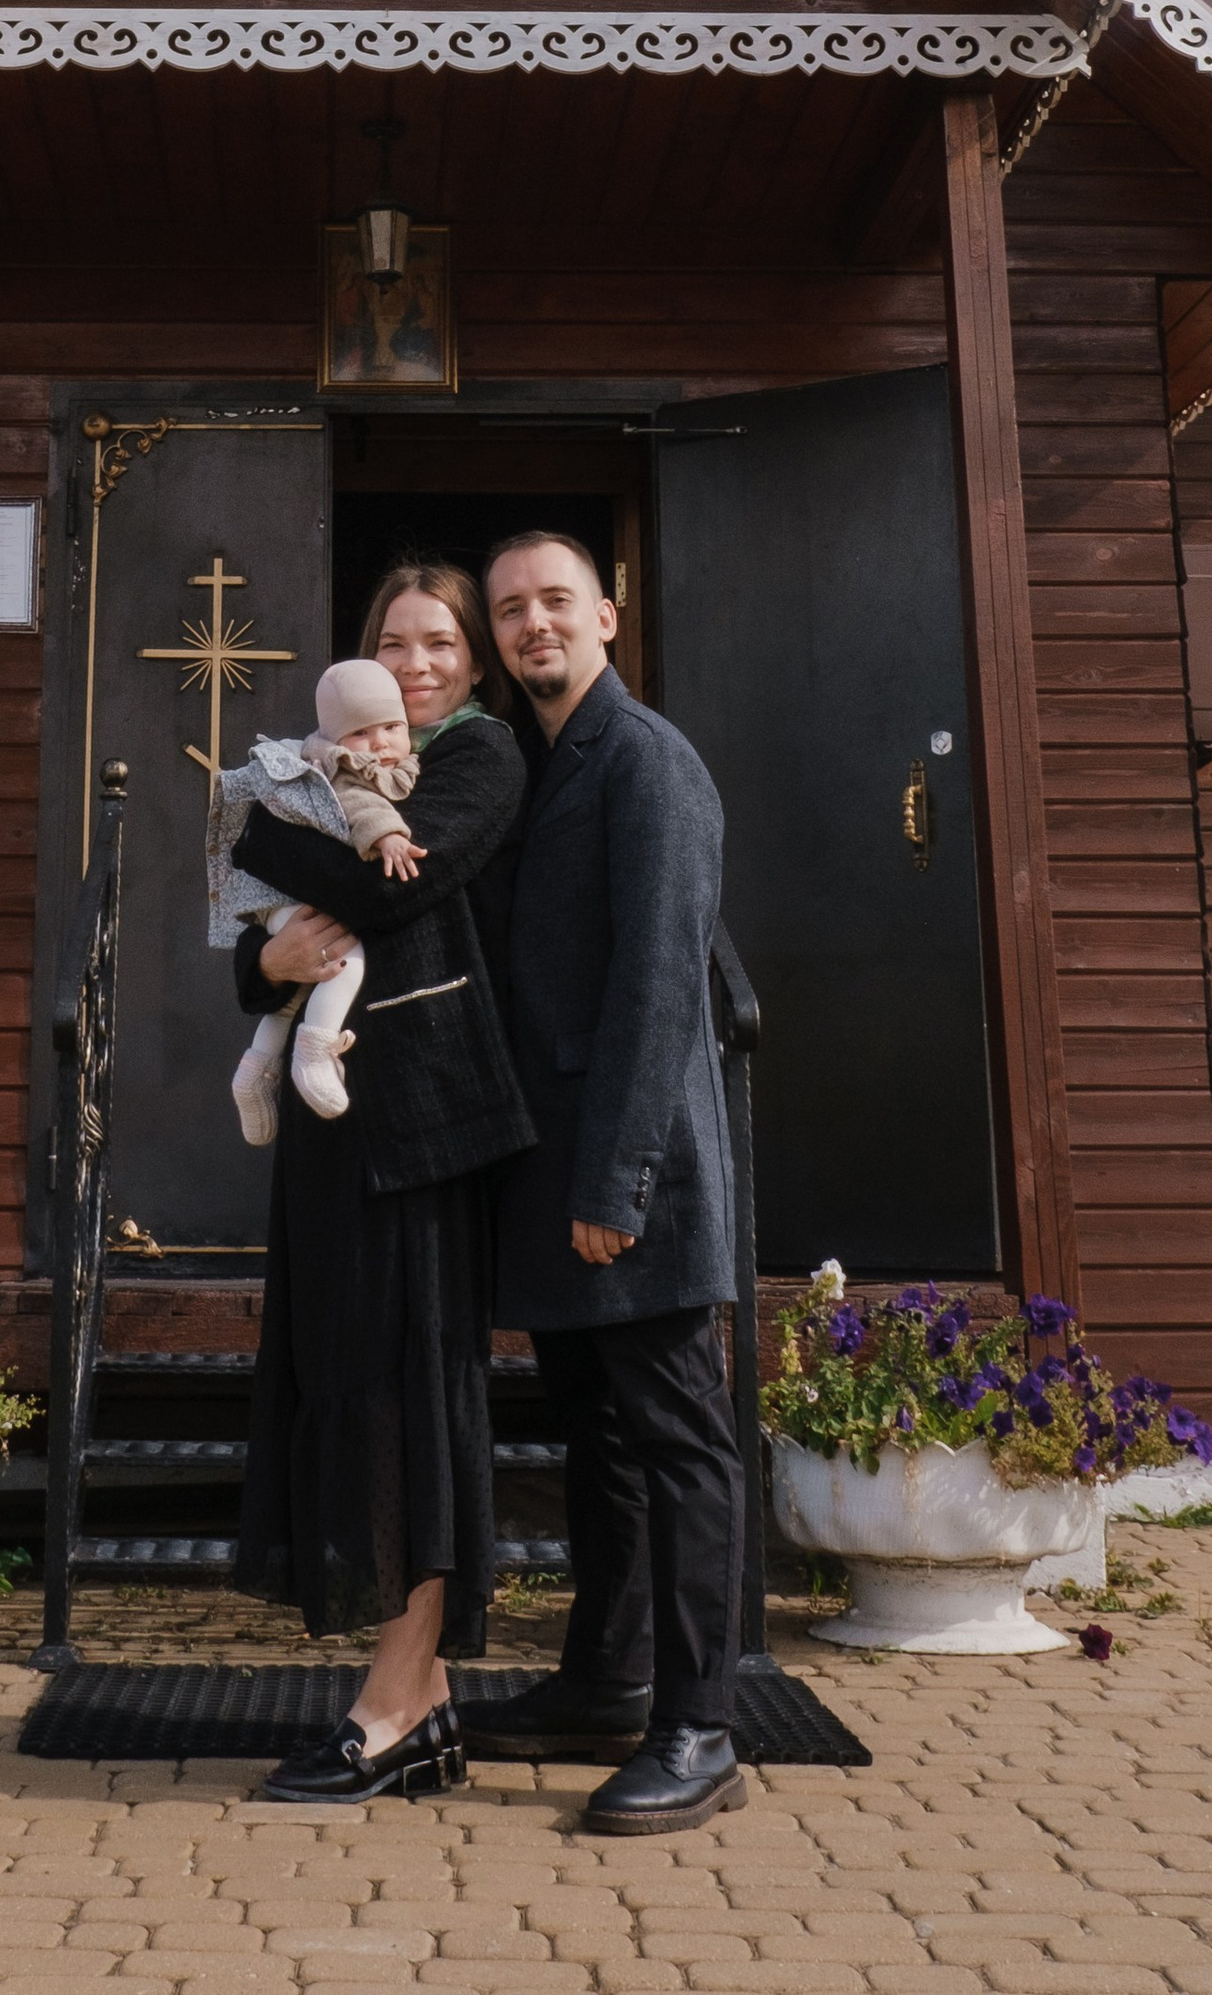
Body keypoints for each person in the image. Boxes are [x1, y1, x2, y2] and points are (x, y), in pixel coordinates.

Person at [226, 563, 534, 1805]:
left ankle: (394, 1700)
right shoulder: (335, 761)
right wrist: (266, 963)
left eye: (439, 641)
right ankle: (428, 1704)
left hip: (424, 1122)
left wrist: (257, 826)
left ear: (470, 661)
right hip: (331, 1122)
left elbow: (386, 882)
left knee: (410, 1399)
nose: (414, 662)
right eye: (391, 642)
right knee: (346, 1386)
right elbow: (265, 941)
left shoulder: (476, 760)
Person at [467, 533, 747, 1834]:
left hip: (633, 1183)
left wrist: (620, 1181)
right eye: (512, 608)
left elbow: (654, 987)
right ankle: (603, 1678)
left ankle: (699, 1725)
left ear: (610, 619)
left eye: (556, 603)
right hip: (561, 1175)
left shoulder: (650, 762)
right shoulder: (538, 764)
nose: (535, 625)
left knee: (679, 1442)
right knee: (598, 1437)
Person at [210, 658, 427, 1140]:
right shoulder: (341, 766)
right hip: (284, 897)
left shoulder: (387, 759)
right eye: (361, 733)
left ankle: (256, 1069)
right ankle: (315, 1050)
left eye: (392, 727)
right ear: (335, 740)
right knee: (344, 956)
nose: (379, 744)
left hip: (282, 896)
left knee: (296, 992)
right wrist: (388, 835)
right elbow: (357, 804)